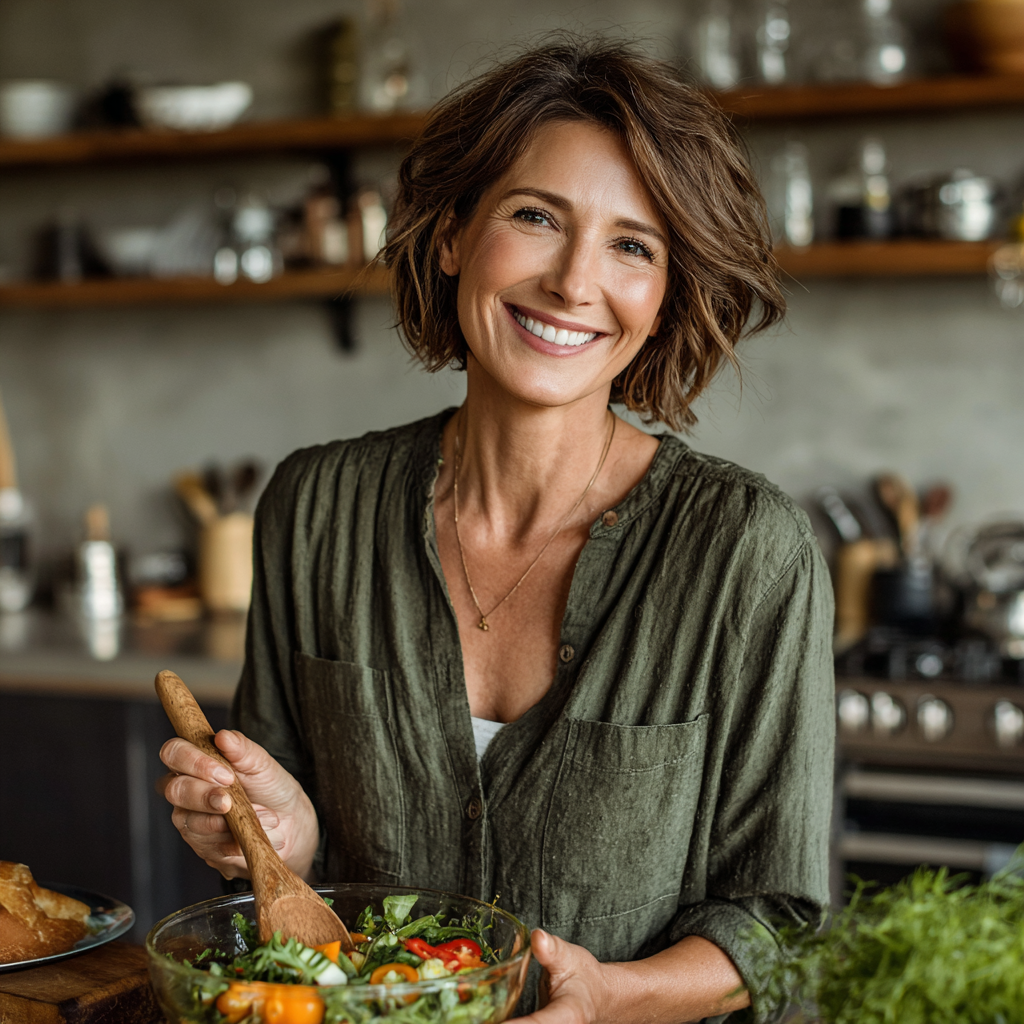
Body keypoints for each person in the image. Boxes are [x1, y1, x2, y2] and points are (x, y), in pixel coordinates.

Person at [160, 38, 835, 1024]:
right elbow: (284, 887)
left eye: (631, 245)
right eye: (534, 217)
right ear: (450, 235)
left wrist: (610, 995)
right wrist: (281, 841)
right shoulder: (317, 510)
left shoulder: (745, 551)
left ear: (664, 293)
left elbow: (777, 920)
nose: (571, 281)